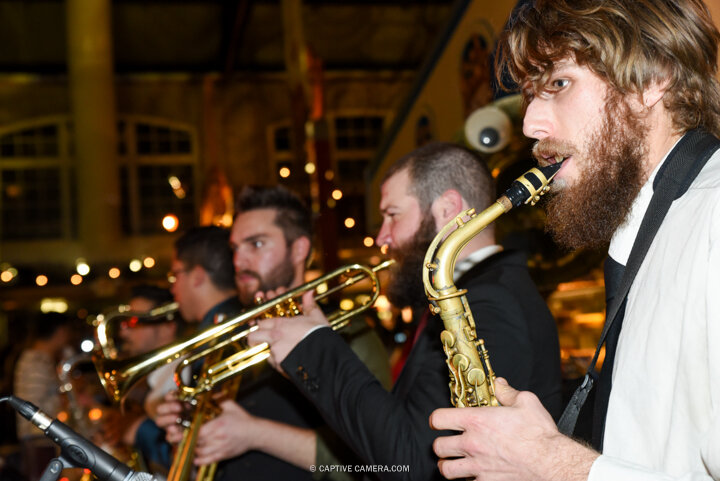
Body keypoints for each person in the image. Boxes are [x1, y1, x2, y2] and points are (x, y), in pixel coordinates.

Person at [428, 1, 720, 480]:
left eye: (559, 84)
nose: (529, 125)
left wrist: (552, 462)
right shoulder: (656, 227)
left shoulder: (712, 216)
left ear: (653, 79)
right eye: (528, 95)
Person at [248, 142, 562, 480]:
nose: (382, 236)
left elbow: (413, 461)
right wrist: (307, 353)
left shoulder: (491, 303)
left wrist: (314, 348)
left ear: (448, 208)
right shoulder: (473, 296)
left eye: (392, 215)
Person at [156, 186, 390, 481]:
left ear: (299, 249)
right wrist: (190, 431)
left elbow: (380, 464)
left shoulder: (348, 333)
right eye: (235, 249)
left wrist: (255, 434)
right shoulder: (225, 336)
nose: (239, 262)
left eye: (256, 244)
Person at [13, 311, 73, 481]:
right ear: (60, 332)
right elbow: (31, 407)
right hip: (40, 440)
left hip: (46, 439)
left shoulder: (43, 360)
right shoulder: (34, 362)